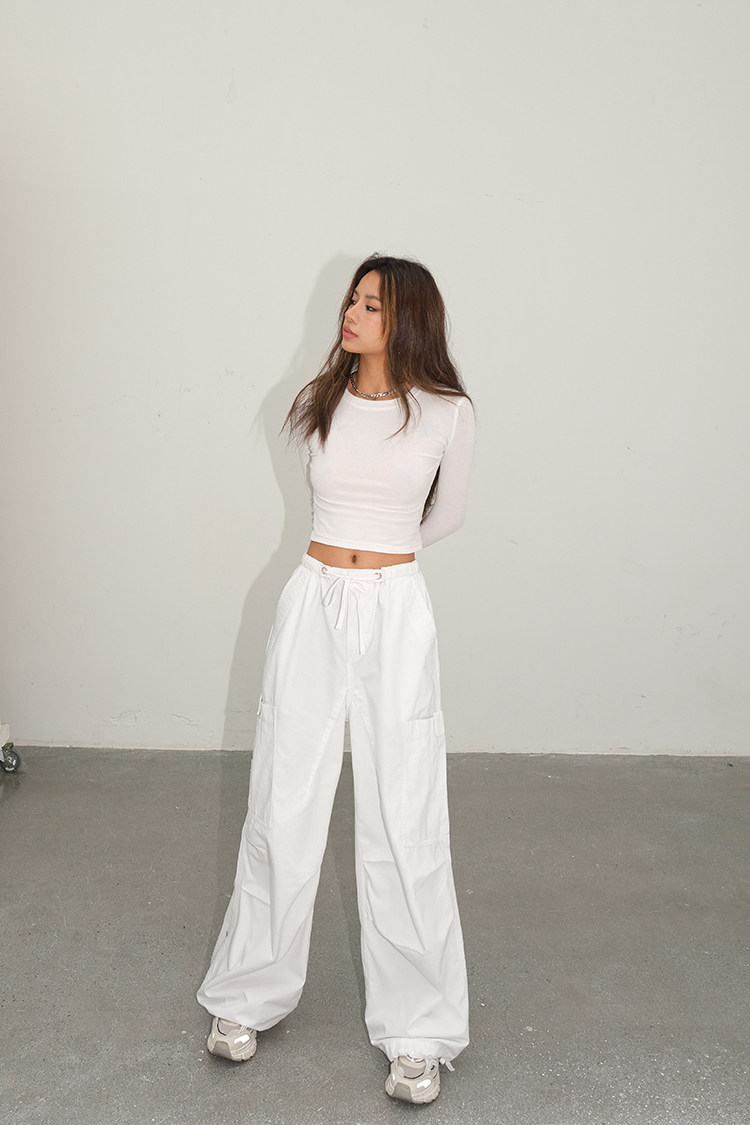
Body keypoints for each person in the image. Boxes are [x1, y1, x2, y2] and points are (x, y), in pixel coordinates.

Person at [197, 254, 476, 1105]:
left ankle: (418, 1030)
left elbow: (446, 514)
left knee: (405, 814)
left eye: (371, 305)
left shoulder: (447, 412)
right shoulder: (322, 399)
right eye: (352, 300)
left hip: (395, 611)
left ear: (408, 320)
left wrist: (383, 562)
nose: (351, 314)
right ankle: (247, 994)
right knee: (282, 800)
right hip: (313, 601)